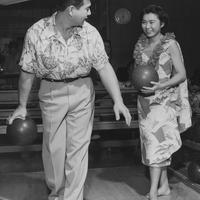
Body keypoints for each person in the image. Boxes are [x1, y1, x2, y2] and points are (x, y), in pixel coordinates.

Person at [8, 0, 132, 200]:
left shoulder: (90, 33)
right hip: (50, 90)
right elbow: (27, 71)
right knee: (53, 148)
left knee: (78, 148)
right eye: (87, 8)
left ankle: (73, 197)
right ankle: (56, 193)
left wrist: (118, 100)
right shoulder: (37, 32)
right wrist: (22, 105)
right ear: (71, 10)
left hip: (82, 89)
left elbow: (104, 66)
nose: (90, 12)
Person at [132, 5, 191, 200]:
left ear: (162, 23)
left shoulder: (170, 45)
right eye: (144, 22)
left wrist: (159, 86)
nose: (147, 26)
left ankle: (152, 192)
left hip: (163, 102)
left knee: (155, 146)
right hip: (143, 103)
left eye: (152, 22)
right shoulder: (140, 45)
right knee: (153, 144)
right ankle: (164, 187)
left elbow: (181, 74)